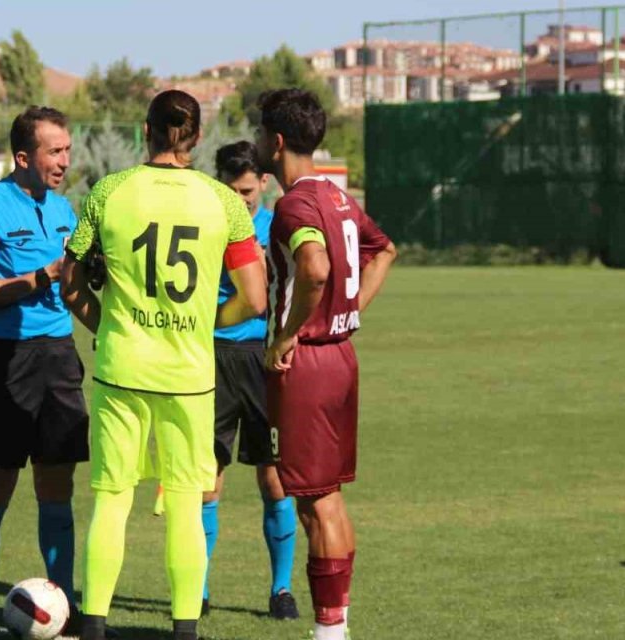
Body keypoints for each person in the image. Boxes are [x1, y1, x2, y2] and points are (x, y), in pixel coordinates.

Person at [60, 90, 268, 640]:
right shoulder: (222, 201)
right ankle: (184, 630)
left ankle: (95, 627)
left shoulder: (110, 191)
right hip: (189, 377)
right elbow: (255, 296)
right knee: (182, 503)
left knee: (111, 497)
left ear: (145, 131)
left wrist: (107, 325)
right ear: (197, 138)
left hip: (120, 368)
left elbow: (70, 281)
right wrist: (207, 322)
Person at [255, 88, 397, 640]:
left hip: (310, 363)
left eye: (263, 133)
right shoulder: (338, 198)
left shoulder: (294, 205)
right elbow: (384, 250)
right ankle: (337, 626)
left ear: (279, 141)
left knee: (317, 505)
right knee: (328, 498)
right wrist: (350, 307)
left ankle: (329, 633)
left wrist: (285, 337)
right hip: (341, 355)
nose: (260, 141)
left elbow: (313, 268)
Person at [0, 105, 88, 640]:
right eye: (54, 151)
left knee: (58, 488)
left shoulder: (64, 210)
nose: (64, 161)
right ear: (23, 156)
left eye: (68, 150)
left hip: (58, 357)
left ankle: (66, 611)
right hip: (7, 360)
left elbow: (75, 289)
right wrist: (40, 276)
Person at [199, 141, 299, 620]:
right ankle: (195, 589)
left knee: (275, 479)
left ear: (263, 182)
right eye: (230, 190)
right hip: (212, 355)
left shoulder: (278, 225)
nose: (240, 200)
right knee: (206, 482)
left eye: (247, 190)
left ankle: (281, 590)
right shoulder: (203, 222)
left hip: (265, 358)